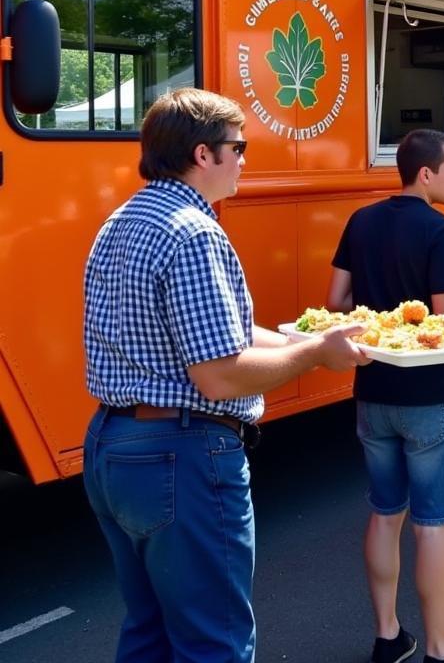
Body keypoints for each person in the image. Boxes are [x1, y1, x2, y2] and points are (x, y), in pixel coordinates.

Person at [83, 88, 368, 663]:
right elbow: (219, 373)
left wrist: (310, 338)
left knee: (149, 634)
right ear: (202, 154)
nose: (245, 159)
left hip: (113, 447)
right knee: (214, 644)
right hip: (182, 454)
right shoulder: (194, 232)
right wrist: (316, 357)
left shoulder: (122, 220)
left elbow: (220, 335)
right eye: (237, 147)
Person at [326, 130, 444, 663]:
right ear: (426, 174)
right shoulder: (441, 229)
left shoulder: (360, 221)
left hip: (373, 389)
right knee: (432, 524)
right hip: (430, 393)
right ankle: (440, 650)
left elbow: (336, 302)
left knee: (385, 513)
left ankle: (388, 637)